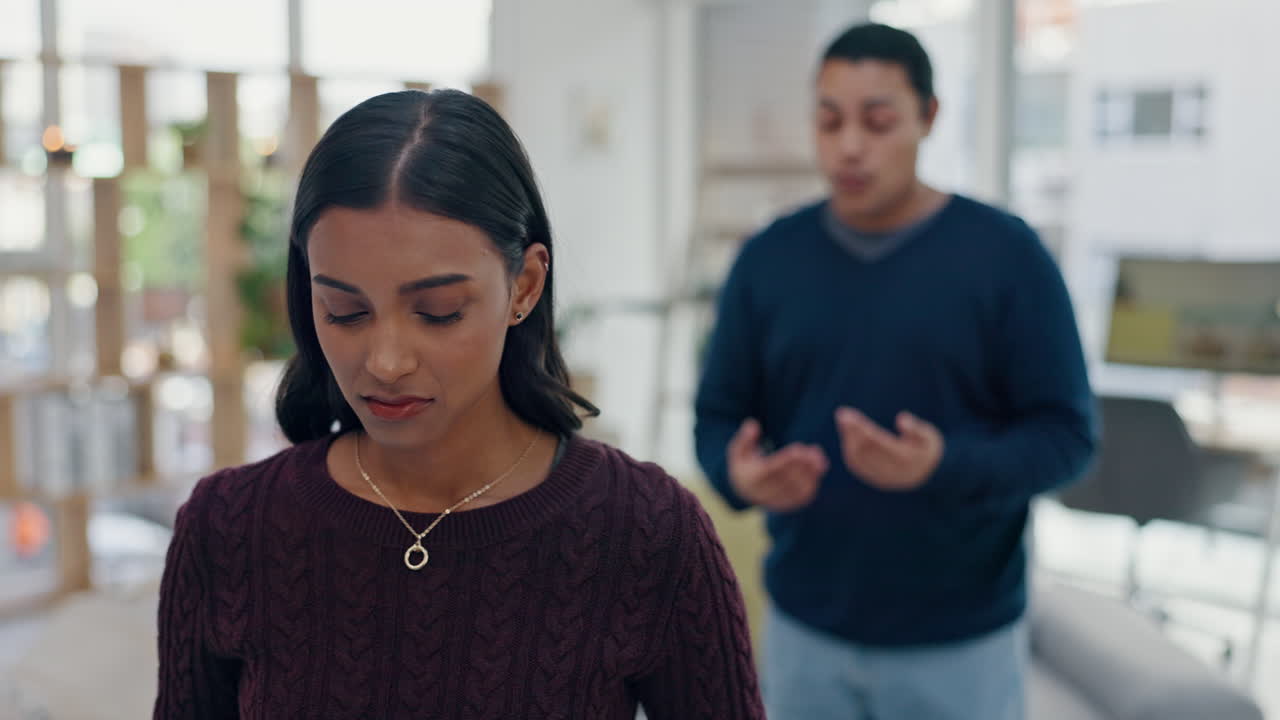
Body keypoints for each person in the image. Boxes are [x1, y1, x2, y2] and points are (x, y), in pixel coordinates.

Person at [154, 89, 764, 720]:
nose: (387, 362)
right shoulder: (227, 528)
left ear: (524, 286)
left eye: (439, 313)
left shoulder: (647, 530)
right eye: (345, 311)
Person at [694, 22, 1097, 720]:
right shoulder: (768, 260)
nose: (850, 145)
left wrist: (943, 466)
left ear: (928, 117)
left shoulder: (1006, 256)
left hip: (961, 644)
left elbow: (1067, 438)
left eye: (877, 121)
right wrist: (740, 476)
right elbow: (717, 418)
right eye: (830, 120)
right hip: (803, 631)